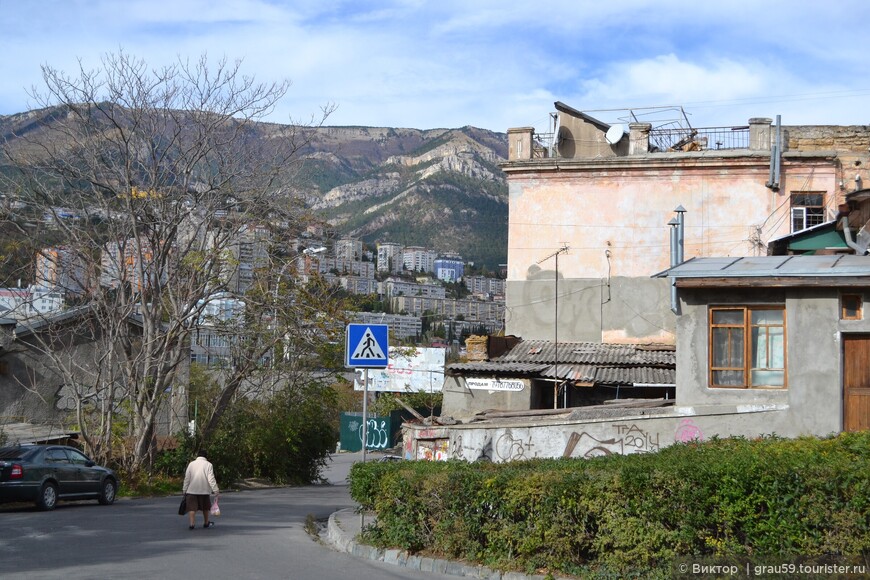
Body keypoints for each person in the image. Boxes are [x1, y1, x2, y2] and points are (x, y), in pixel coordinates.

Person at [182, 449, 220, 529]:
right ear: (206, 456)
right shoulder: (208, 465)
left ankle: (192, 524)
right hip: (204, 491)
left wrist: (184, 489)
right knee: (205, 507)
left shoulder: (191, 464)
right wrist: (215, 490)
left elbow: (187, 478)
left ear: (197, 456)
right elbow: (211, 478)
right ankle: (206, 522)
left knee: (192, 508)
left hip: (191, 490)